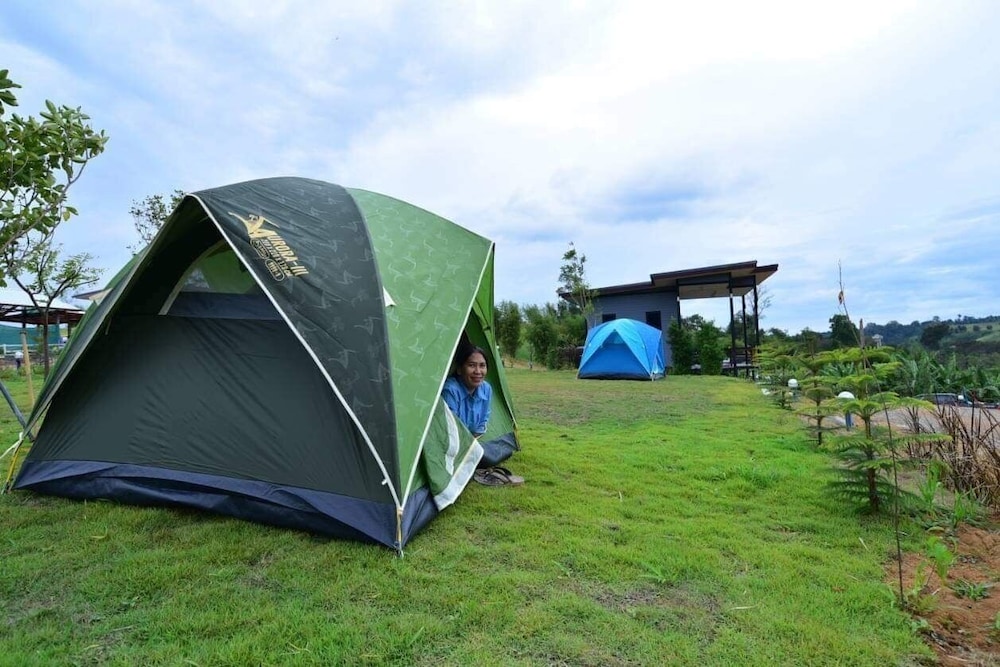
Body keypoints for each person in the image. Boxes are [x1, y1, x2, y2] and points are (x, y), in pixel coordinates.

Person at [442, 342, 523, 486]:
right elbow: (449, 430)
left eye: (482, 365)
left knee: (495, 455)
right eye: (471, 365)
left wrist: (471, 444)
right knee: (479, 459)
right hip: (449, 444)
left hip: (470, 442)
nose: (478, 371)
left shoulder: (486, 389)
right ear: (459, 369)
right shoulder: (450, 390)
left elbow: (483, 422)